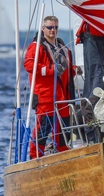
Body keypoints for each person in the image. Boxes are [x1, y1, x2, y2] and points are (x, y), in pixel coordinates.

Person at [24, 16, 76, 159]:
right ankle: (35, 159)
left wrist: (74, 69)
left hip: (63, 98)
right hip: (45, 97)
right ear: (43, 28)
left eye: (55, 27)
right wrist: (50, 70)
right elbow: (29, 66)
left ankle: (63, 156)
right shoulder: (36, 46)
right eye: (50, 27)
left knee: (64, 131)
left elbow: (66, 69)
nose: (53, 30)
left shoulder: (62, 48)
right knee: (42, 130)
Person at [75, 20, 104, 143]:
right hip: (96, 37)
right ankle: (87, 110)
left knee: (95, 77)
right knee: (98, 74)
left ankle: (84, 114)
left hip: (98, 36)